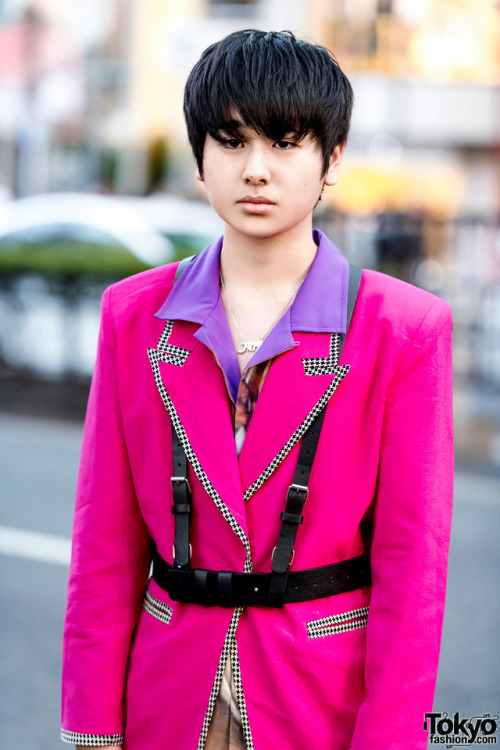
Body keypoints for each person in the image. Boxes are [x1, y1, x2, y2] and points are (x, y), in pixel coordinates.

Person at [61, 29, 454, 750]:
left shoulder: (404, 328)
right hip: (166, 695)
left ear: (332, 160)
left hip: (321, 699)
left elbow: (413, 571)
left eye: (285, 142)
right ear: (200, 161)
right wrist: (90, 730)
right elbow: (104, 549)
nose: (257, 170)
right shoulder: (133, 315)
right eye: (232, 142)